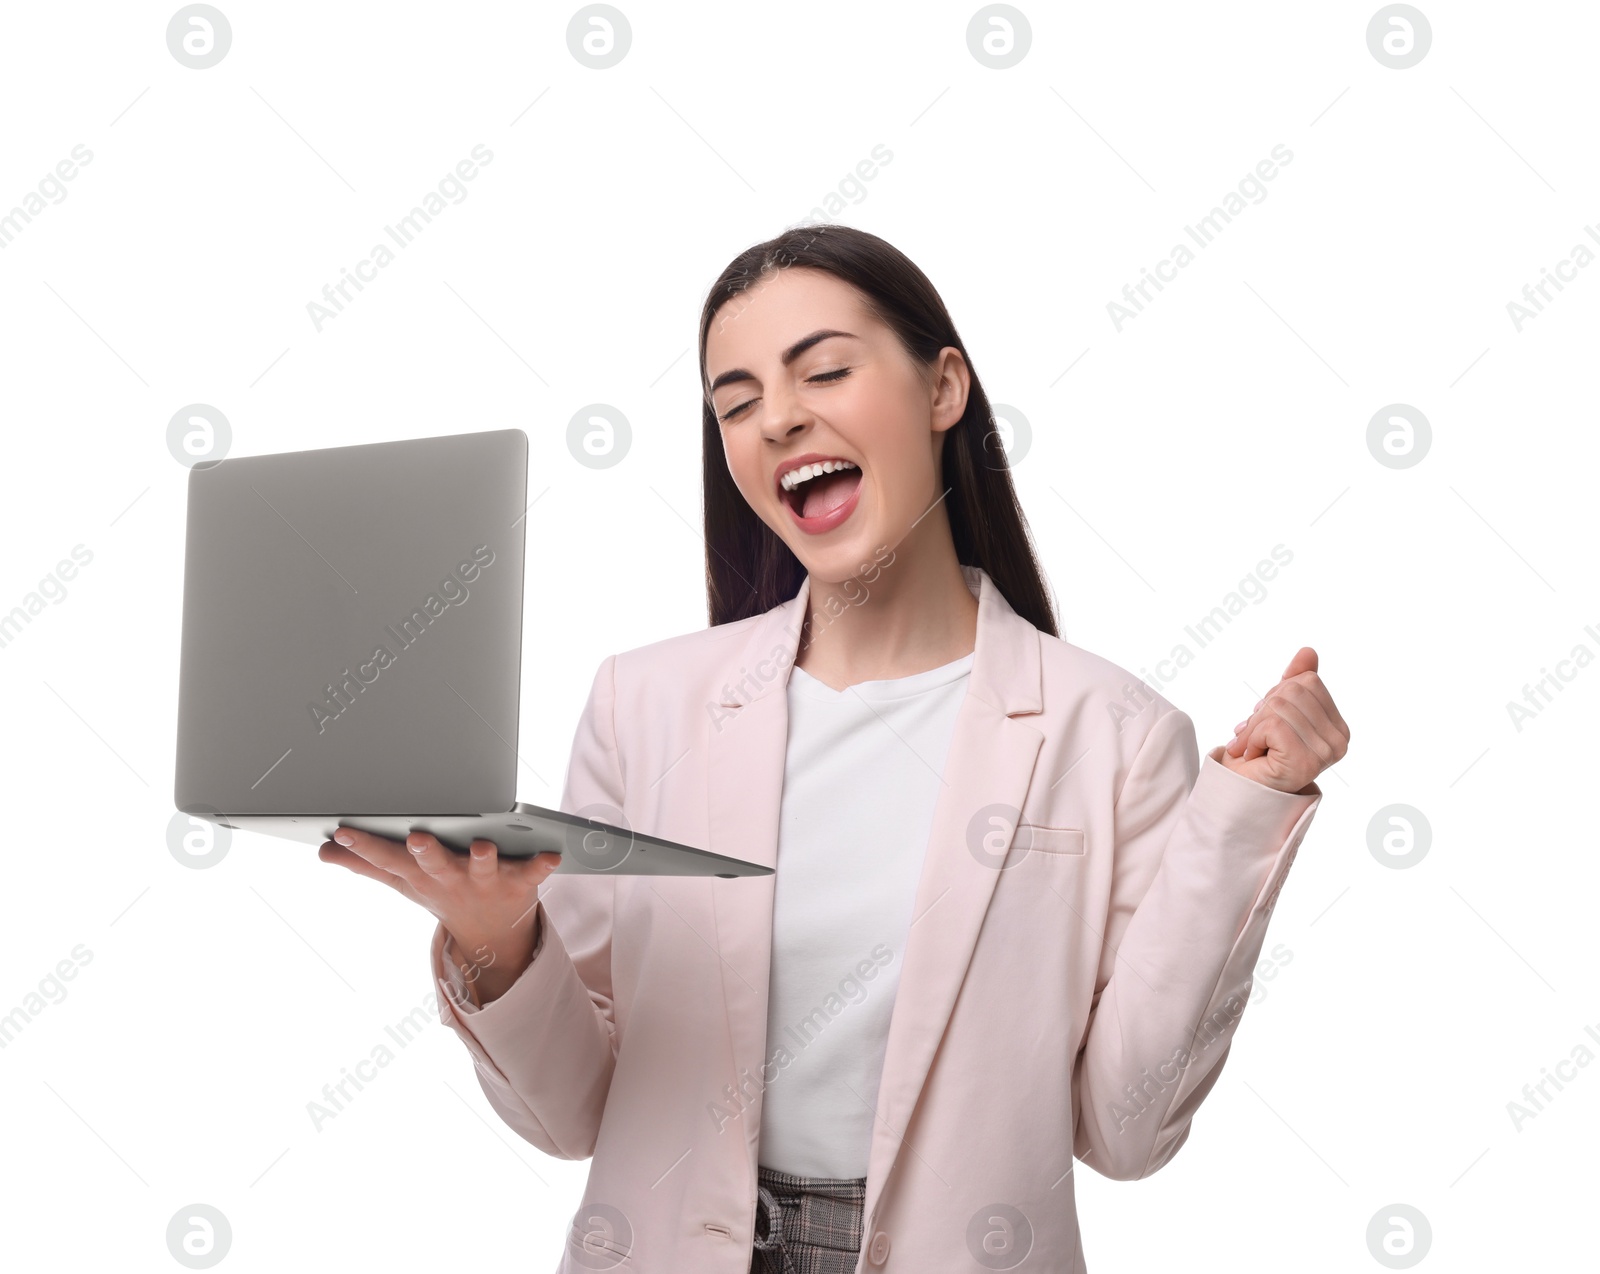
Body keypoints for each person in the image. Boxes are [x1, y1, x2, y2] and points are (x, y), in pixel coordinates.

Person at [319, 224, 1350, 1273]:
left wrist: (1246, 811)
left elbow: (1125, 1131)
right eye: (735, 401)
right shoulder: (646, 704)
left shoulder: (1114, 733)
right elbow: (571, 1112)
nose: (778, 418)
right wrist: (497, 939)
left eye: (823, 371)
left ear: (942, 386)